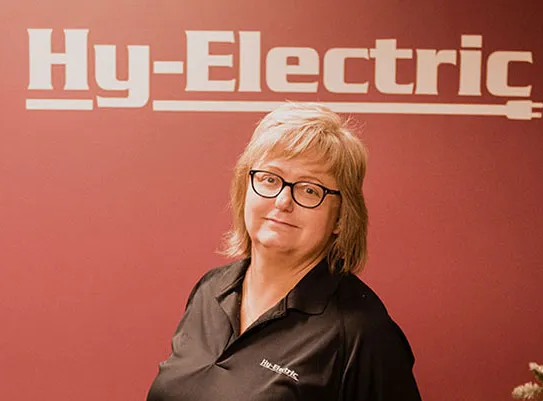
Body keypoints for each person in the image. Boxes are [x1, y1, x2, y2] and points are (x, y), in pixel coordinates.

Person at [146, 102, 422, 401]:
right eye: (270, 179)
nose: (282, 201)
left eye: (309, 189)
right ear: (245, 188)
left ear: (341, 218)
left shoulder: (362, 333)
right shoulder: (210, 290)